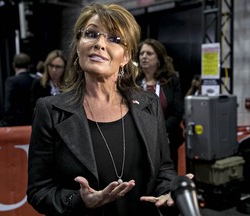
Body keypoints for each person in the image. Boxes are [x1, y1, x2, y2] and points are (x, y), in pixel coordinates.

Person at [27, 3, 193, 216]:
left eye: (114, 39)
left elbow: (163, 169)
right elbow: (38, 190)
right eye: (91, 34)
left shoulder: (149, 104)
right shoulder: (50, 111)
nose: (100, 43)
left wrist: (169, 191)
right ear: (79, 46)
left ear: (125, 57)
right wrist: (80, 201)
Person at [135, 38, 184, 171]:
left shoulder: (171, 80)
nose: (144, 57)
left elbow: (177, 112)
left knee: (165, 177)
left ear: (159, 58)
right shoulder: (133, 82)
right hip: (139, 141)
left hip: (167, 140)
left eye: (149, 53)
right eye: (141, 53)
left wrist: (158, 131)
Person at [2, 52, 37, 126]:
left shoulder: (11, 81)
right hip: (34, 121)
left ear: (13, 65)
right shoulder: (35, 80)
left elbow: (8, 107)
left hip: (17, 123)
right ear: (28, 66)